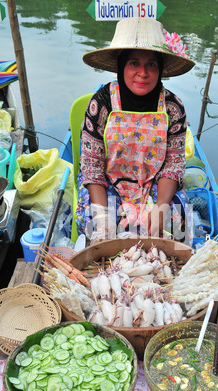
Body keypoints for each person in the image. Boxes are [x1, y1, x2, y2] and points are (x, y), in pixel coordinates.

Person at [76, 17, 195, 243]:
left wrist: (160, 208)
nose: (143, 73)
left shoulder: (173, 107)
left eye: (151, 64)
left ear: (160, 68)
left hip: (154, 183)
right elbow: (92, 165)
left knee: (178, 218)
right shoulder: (101, 103)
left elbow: (174, 165)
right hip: (108, 182)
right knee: (97, 226)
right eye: (134, 63)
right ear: (121, 66)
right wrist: (103, 216)